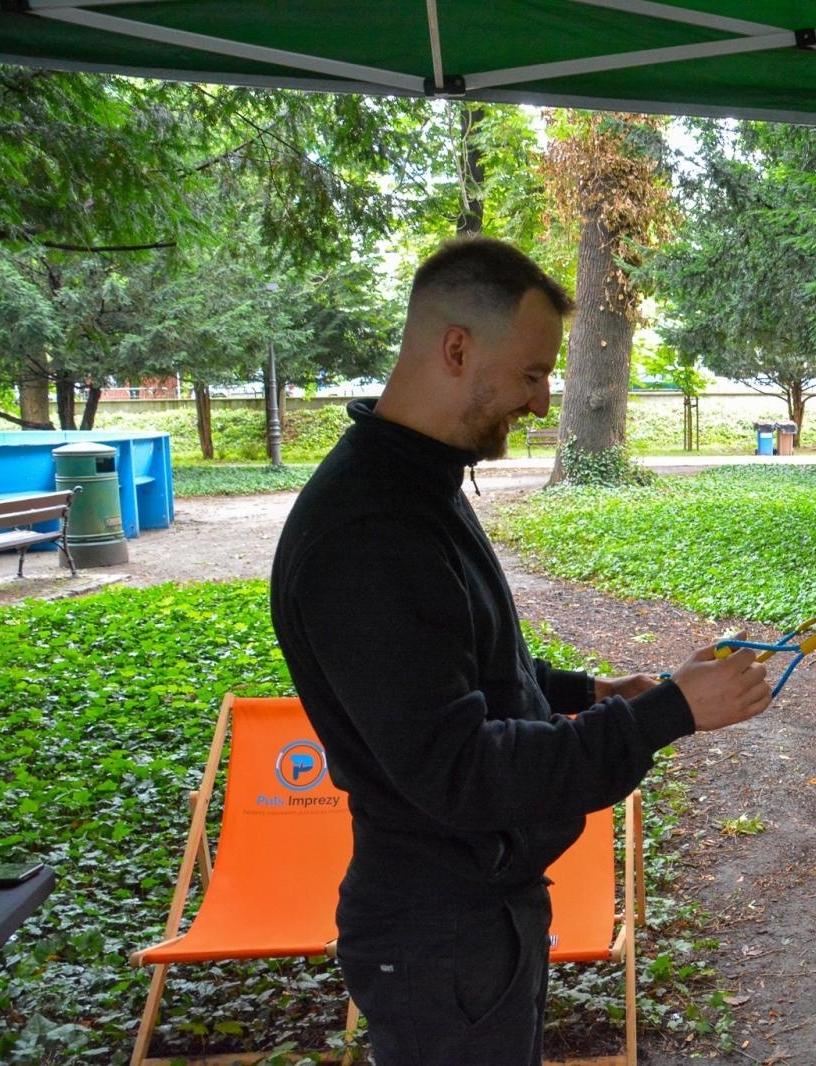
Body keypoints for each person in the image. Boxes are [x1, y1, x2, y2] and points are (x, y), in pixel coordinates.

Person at [270, 236, 772, 1064]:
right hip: (441, 935)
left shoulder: (418, 484)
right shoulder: (370, 531)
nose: (543, 404)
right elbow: (460, 770)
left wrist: (588, 693)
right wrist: (666, 714)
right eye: (534, 374)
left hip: (475, 915)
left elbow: (464, 668)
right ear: (457, 348)